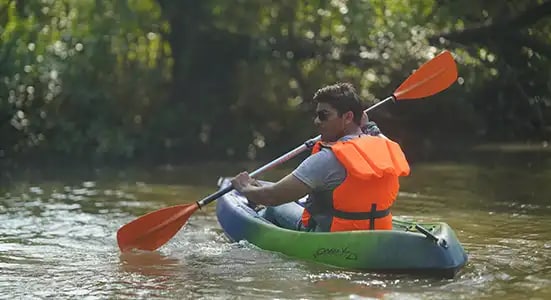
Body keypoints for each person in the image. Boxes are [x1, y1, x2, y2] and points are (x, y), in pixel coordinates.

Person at [231, 82, 410, 232]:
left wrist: (245, 189)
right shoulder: (386, 146)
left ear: (348, 117)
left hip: (332, 238)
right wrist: (367, 125)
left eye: (323, 115)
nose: (317, 121)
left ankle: (259, 216)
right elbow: (373, 132)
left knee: (273, 208)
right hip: (378, 232)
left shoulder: (327, 159)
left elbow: (273, 197)